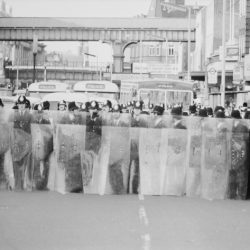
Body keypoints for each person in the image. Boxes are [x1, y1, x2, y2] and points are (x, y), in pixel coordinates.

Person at [9, 95, 33, 190]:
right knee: (16, 163)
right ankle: (16, 183)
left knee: (25, 163)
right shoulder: (13, 115)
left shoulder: (30, 115)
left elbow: (32, 129)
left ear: (25, 105)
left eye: (23, 104)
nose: (21, 106)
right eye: (20, 104)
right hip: (16, 143)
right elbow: (9, 128)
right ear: (18, 105)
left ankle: (23, 183)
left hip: (26, 143)